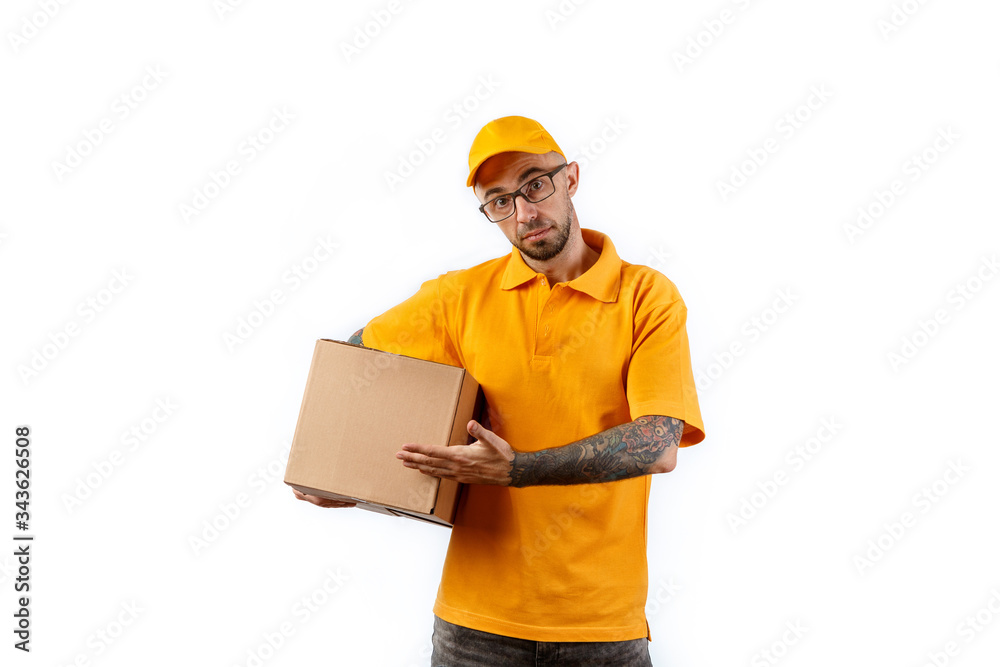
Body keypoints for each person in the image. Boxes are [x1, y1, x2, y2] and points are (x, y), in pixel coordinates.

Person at [293, 116, 706, 666]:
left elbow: (659, 442)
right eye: (500, 201)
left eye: (535, 184)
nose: (525, 213)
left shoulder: (646, 296)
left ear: (572, 178)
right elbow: (354, 364)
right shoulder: (460, 296)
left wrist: (518, 469)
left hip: (602, 630)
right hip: (473, 629)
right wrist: (351, 477)